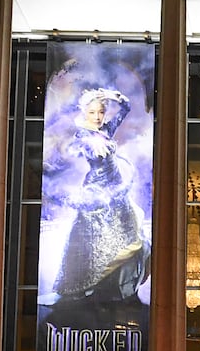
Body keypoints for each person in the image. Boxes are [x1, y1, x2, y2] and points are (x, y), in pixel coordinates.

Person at [52, 87, 150, 303]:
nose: (97, 117)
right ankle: (88, 286)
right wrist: (90, 144)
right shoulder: (82, 133)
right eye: (92, 112)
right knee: (96, 242)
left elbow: (125, 108)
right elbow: (82, 146)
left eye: (101, 112)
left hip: (117, 191)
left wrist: (112, 96)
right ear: (85, 112)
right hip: (97, 193)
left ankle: (115, 287)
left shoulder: (106, 129)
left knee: (127, 239)